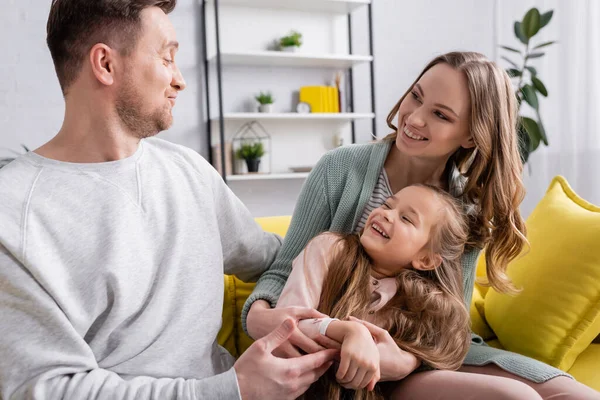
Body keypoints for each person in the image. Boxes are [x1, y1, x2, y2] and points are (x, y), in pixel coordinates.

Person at [0, 1, 337, 399]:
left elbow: (271, 259)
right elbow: (46, 388)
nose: (179, 80)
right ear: (105, 64)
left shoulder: (189, 172)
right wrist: (232, 389)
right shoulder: (15, 213)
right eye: (166, 57)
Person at [243, 52, 600, 399]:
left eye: (441, 115)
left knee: (574, 395)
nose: (413, 118)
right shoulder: (340, 169)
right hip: (342, 357)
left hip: (419, 358)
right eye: (416, 96)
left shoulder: (468, 208)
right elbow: (283, 272)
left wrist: (401, 360)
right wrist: (259, 317)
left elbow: (452, 324)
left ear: (471, 136)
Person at [276, 184, 472, 400]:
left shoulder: (425, 304)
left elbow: (442, 356)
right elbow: (287, 322)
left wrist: (409, 360)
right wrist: (349, 332)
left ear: (425, 260)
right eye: (387, 205)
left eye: (406, 219)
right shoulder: (329, 249)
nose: (386, 214)